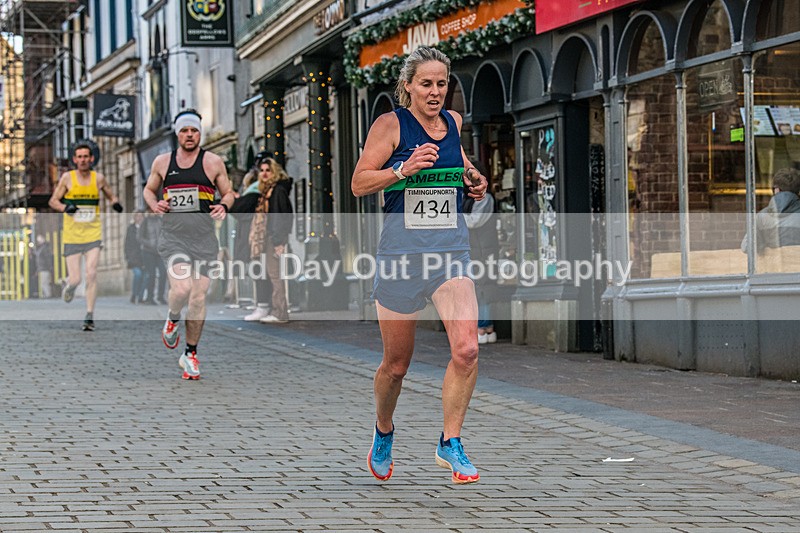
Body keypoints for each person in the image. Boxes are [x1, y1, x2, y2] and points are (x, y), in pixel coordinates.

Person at [351, 46, 488, 484]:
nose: (434, 92)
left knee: (467, 348)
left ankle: (451, 441)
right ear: (408, 85)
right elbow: (358, 183)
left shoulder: (454, 124)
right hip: (400, 258)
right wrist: (403, 169)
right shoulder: (390, 125)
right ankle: (384, 429)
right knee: (396, 365)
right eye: (426, 83)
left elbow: (458, 165)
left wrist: (473, 178)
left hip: (450, 253)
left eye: (442, 83)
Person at [143, 109, 234, 380]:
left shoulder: (213, 162)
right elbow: (149, 190)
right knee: (181, 288)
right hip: (174, 236)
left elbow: (228, 192)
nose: (189, 135)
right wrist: (155, 203)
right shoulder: (162, 162)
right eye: (184, 131)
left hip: (204, 238)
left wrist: (223, 206)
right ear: (177, 133)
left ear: (200, 133)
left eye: (193, 130)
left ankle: (190, 353)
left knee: (198, 297)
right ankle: (172, 318)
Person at [48, 141, 123, 331]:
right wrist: (66, 207)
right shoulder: (67, 178)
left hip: (92, 233)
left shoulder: (98, 178)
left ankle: (89, 315)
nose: (82, 160)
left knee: (91, 273)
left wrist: (115, 203)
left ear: (91, 159)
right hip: (72, 235)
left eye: (85, 157)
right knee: (76, 279)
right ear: (74, 159)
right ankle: (70, 287)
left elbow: (111, 195)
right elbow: (53, 201)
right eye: (79, 157)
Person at [250, 157, 293, 324]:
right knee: (272, 274)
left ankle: (280, 312)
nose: (265, 173)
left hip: (274, 238)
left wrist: (279, 241)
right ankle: (277, 310)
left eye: (268, 170)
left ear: (274, 172)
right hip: (267, 238)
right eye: (262, 170)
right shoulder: (265, 191)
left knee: (276, 276)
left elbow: (284, 217)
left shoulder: (277, 191)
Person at [463, 161, 499, 344]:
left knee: (482, 289)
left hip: (484, 251)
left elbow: (474, 221)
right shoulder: (468, 197)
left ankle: (483, 327)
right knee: (477, 288)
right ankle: (484, 327)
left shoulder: (485, 198)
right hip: (476, 250)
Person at [230, 165, 273, 320]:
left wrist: (233, 201)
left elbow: (237, 209)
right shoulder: (259, 192)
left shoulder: (254, 193)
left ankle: (264, 305)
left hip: (256, 237)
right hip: (255, 236)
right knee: (261, 270)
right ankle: (264, 305)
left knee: (260, 270)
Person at [741, 168, 800, 253]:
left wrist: (765, 246)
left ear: (776, 190)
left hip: (775, 265)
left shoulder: (761, 217)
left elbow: (747, 247)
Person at [140, 207, 167, 305]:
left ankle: (161, 296)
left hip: (160, 252)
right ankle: (150, 297)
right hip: (148, 252)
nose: (152, 212)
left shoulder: (160, 221)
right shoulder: (145, 222)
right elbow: (139, 237)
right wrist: (149, 244)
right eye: (150, 211)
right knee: (151, 274)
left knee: (163, 273)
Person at [124, 210, 145, 304]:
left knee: (146, 276)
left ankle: (140, 297)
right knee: (138, 274)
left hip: (145, 257)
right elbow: (127, 244)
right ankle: (134, 294)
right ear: (134, 217)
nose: (139, 218)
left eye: (141, 216)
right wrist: (128, 257)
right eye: (138, 216)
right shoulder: (131, 229)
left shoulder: (146, 228)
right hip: (134, 258)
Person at [33, 234, 54, 299]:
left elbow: (47, 258)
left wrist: (50, 267)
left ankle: (48, 295)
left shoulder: (44, 248)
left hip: (44, 268)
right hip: (42, 268)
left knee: (44, 283)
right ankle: (46, 295)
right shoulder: (43, 248)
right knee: (44, 283)